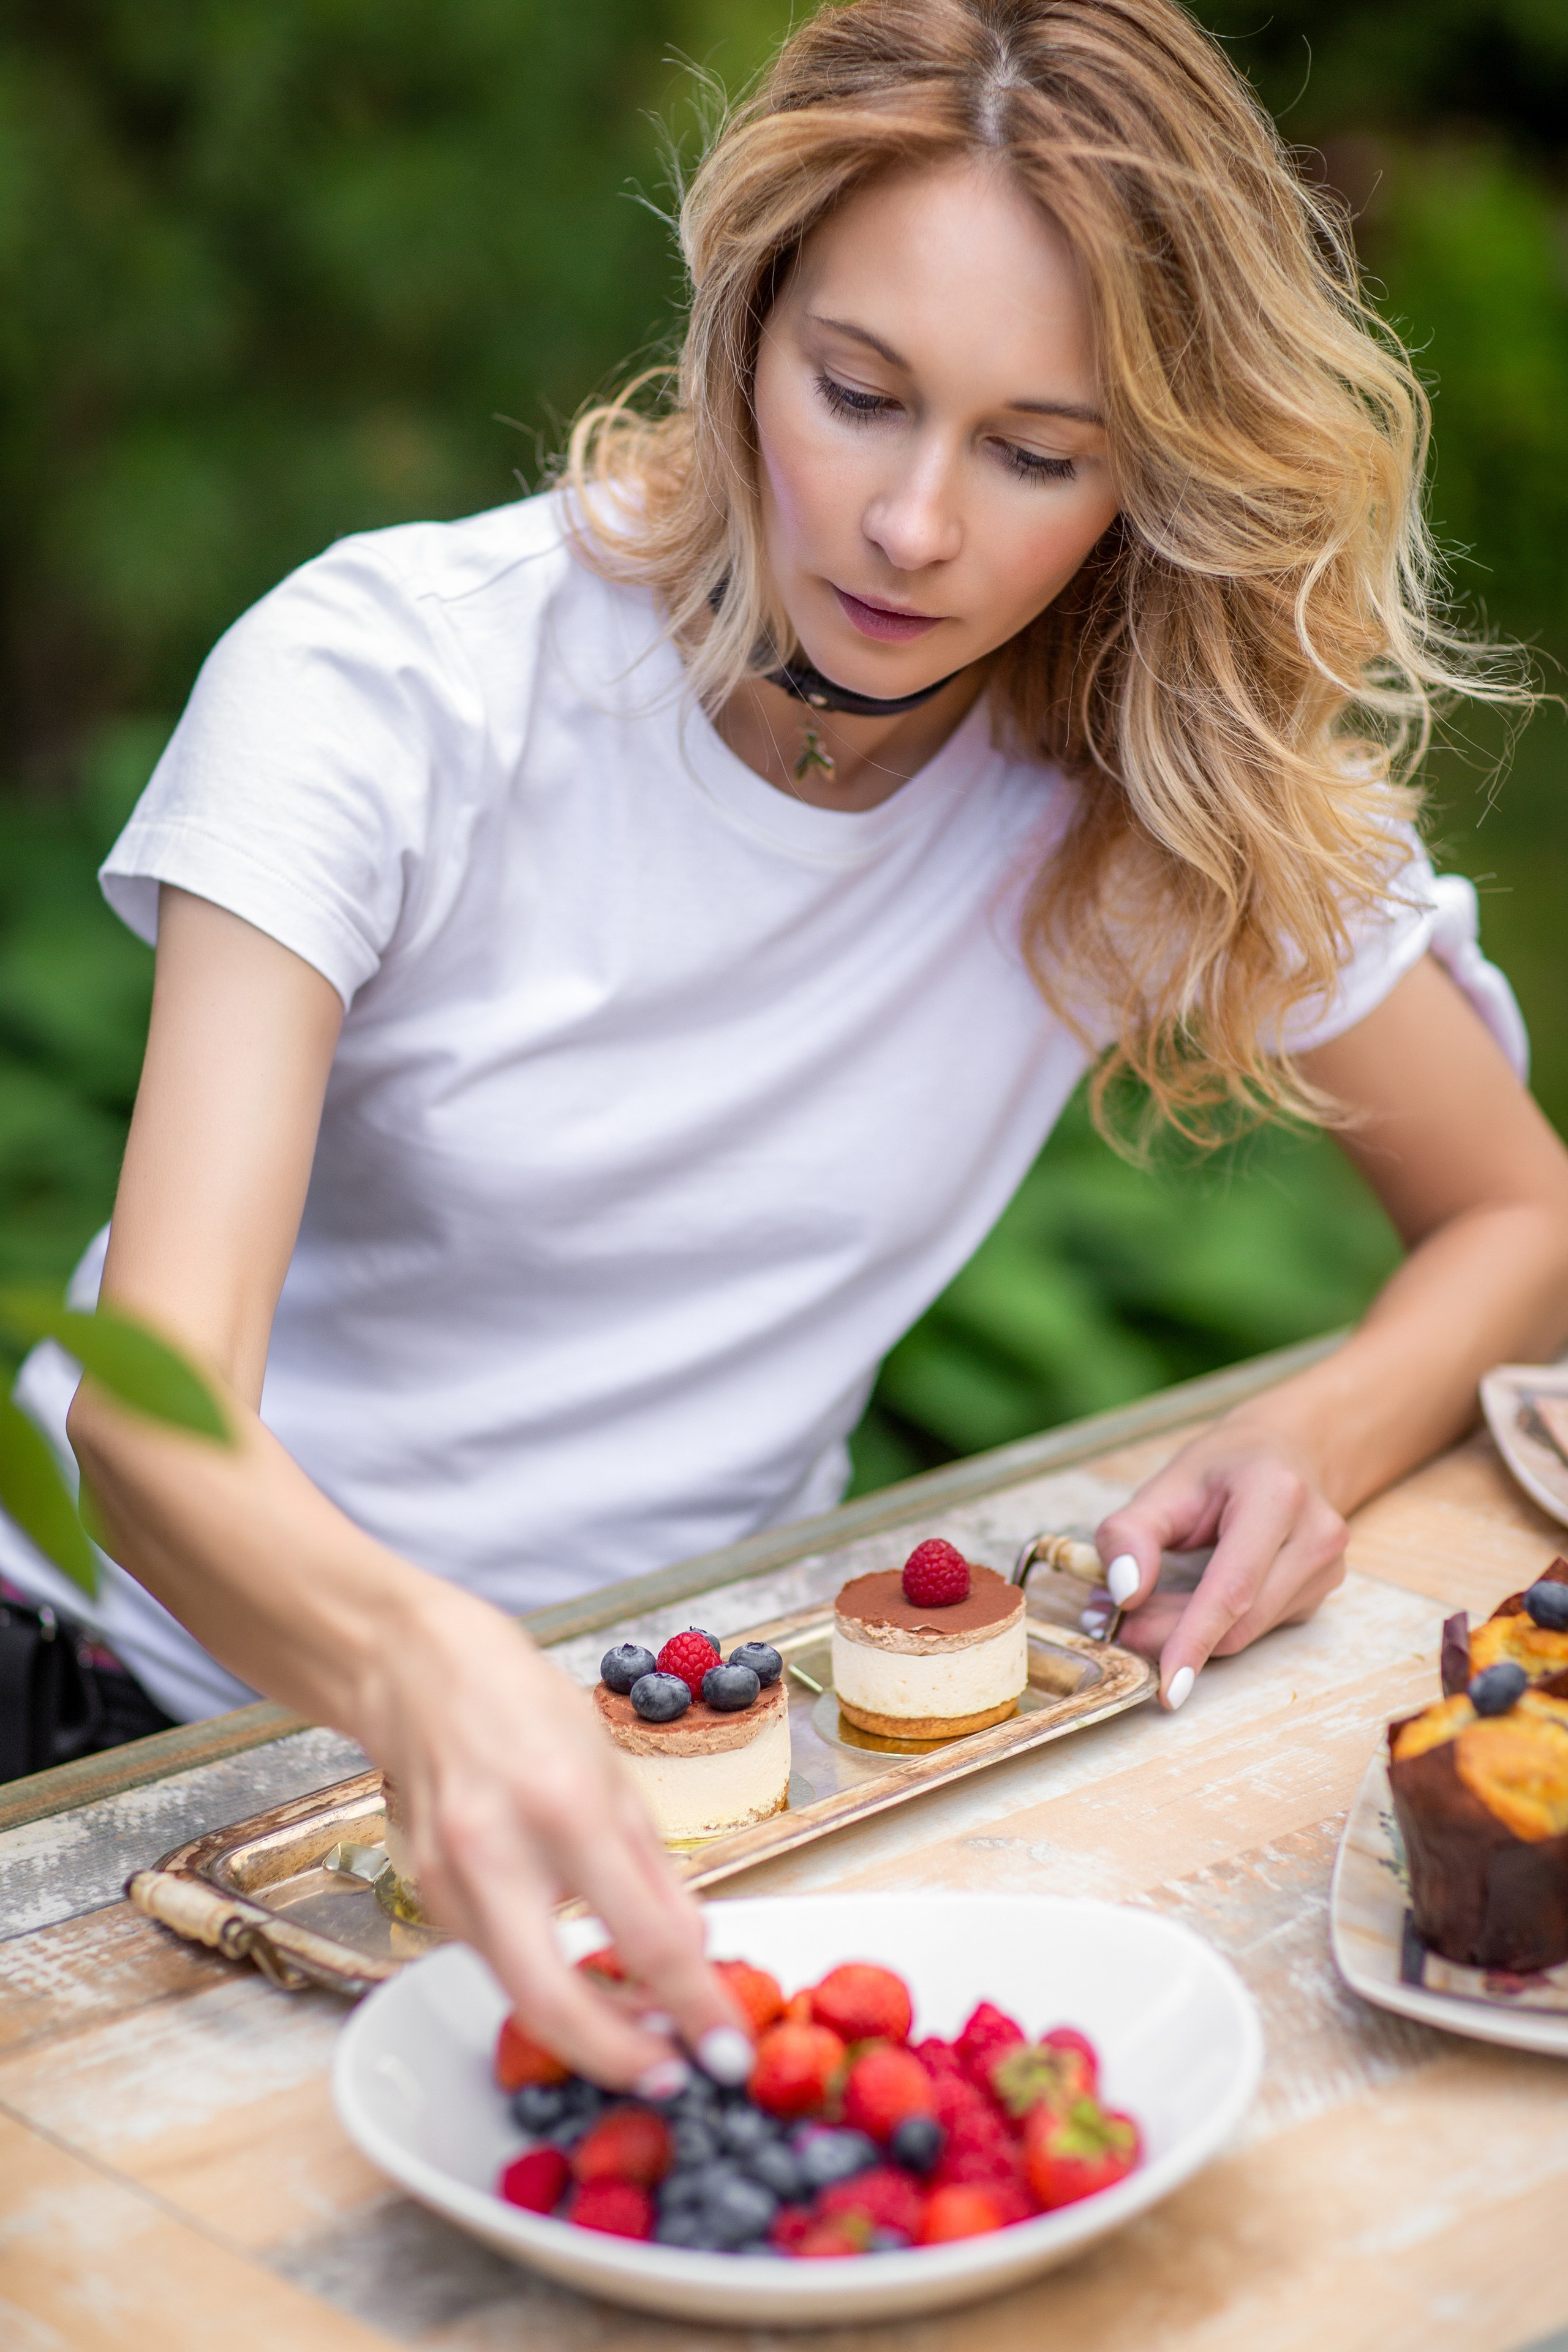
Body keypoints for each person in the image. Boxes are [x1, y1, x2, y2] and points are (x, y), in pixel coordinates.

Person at [9, 0, 1568, 2091]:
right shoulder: (388, 685)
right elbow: (149, 1411)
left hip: (725, 1755)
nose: (916, 525)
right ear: (743, 328)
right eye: (858, 394)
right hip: (136, 1733)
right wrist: (424, 1673)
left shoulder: (1133, 800)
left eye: (1036, 452)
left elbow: (1517, 1210)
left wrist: (1320, 1434)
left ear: (1151, 482)